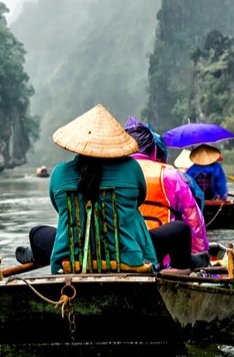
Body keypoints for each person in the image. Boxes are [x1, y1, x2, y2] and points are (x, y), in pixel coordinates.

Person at [19, 105, 193, 272]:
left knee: (37, 233)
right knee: (180, 229)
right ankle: (185, 269)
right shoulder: (131, 168)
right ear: (112, 143)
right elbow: (139, 200)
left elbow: (60, 209)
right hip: (127, 255)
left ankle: (37, 256)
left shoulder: (59, 173)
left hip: (74, 257)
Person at [124, 119, 209, 262]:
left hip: (123, 257)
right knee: (182, 228)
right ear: (154, 151)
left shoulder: (112, 176)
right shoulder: (171, 176)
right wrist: (200, 257)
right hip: (164, 261)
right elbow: (194, 222)